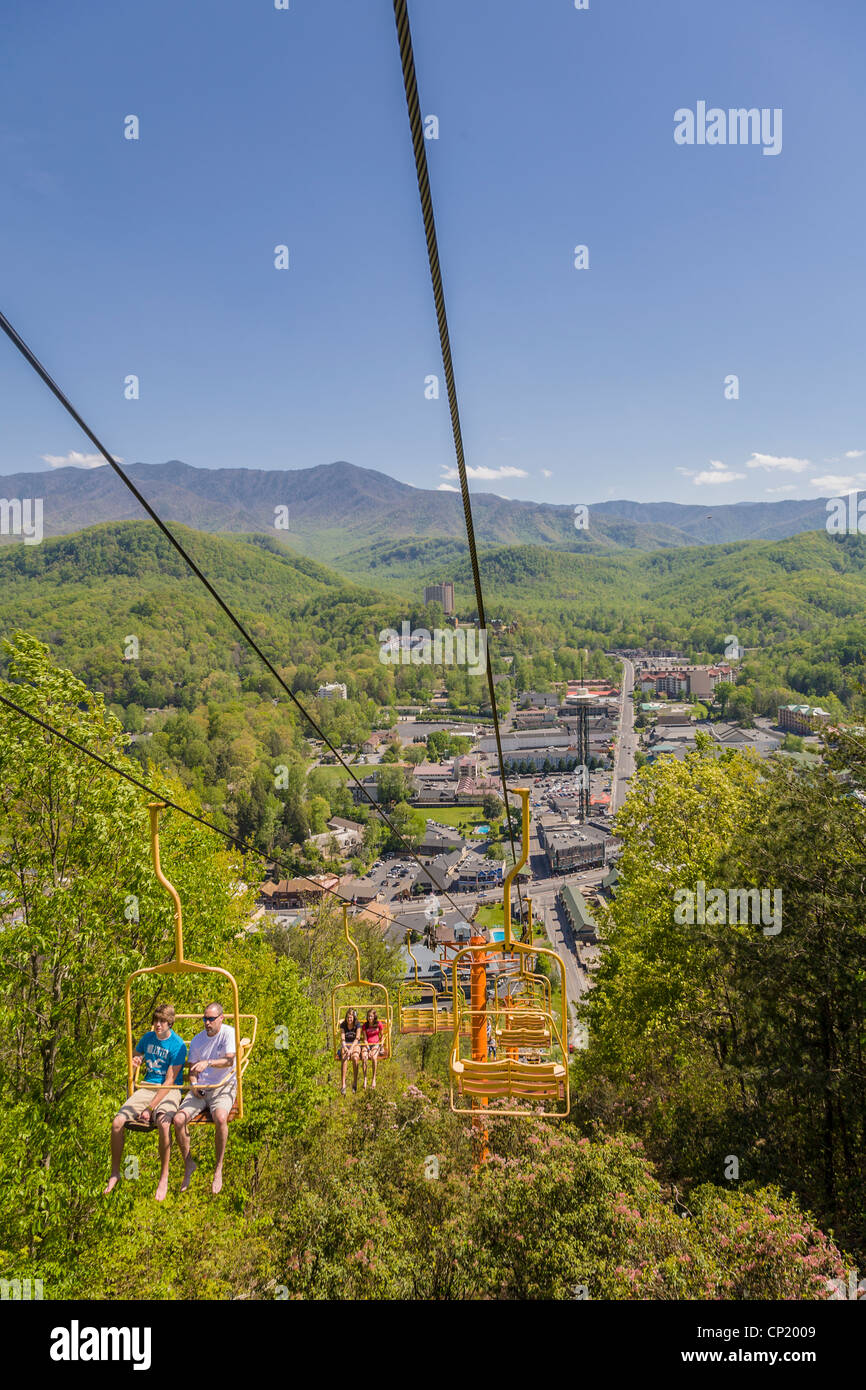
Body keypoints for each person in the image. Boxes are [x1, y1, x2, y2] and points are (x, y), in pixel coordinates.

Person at [105, 1004, 186, 1202]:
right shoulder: (147, 1038)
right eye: (156, 1021)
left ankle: (164, 1175)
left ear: (170, 1023)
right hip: (147, 1087)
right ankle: (115, 1172)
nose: (158, 1025)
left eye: (162, 1021)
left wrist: (151, 1108)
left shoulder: (178, 1045)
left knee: (164, 1124)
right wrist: (136, 1061)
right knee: (117, 1123)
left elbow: (169, 1081)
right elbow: (137, 1054)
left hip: (169, 1090)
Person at [173, 1003, 237, 1196]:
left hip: (222, 1086)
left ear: (221, 1018)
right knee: (178, 1120)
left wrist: (208, 1063)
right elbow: (193, 1070)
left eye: (211, 1019)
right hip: (201, 1089)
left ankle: (218, 1168)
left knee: (220, 1118)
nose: (207, 1023)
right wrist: (194, 1085)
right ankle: (188, 1163)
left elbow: (229, 1060)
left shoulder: (228, 1033)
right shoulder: (197, 1041)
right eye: (205, 1019)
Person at [338, 1008, 362, 1095]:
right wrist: (346, 1048)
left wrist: (351, 1049)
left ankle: (355, 1082)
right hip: (346, 1044)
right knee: (344, 1058)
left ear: (353, 1018)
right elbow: (342, 1038)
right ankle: (343, 1085)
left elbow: (357, 1038)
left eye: (351, 1018)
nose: (349, 1019)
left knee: (355, 1058)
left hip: (355, 1044)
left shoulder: (357, 1025)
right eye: (348, 1017)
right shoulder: (343, 1025)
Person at [361, 1008, 385, 1090]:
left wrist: (380, 1045)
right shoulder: (365, 1025)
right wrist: (368, 1049)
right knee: (364, 1058)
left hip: (376, 1043)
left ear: (374, 1017)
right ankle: (365, 1078)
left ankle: (373, 1078)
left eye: (371, 1016)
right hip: (367, 1044)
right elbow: (364, 1038)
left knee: (374, 1058)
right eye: (368, 1016)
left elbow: (382, 1036)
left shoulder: (379, 1024)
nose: (369, 1018)